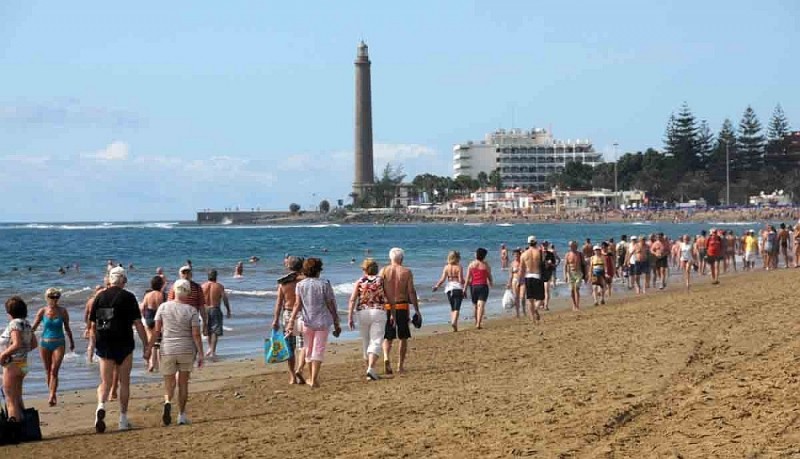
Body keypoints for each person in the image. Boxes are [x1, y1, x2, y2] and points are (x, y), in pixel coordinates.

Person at [89, 266, 150, 432]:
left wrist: (93, 344)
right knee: (124, 382)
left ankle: (101, 406)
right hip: (124, 343)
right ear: (123, 280)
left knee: (105, 382)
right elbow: (138, 323)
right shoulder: (129, 297)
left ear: (110, 279)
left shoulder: (100, 296)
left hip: (105, 343)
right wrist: (146, 344)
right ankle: (122, 419)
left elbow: (95, 324)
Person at [150, 279, 204, 426]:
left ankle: (168, 401)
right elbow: (196, 334)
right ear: (188, 293)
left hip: (168, 348)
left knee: (169, 382)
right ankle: (181, 415)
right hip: (186, 349)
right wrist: (201, 353)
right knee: (183, 383)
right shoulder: (191, 310)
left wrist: (149, 348)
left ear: (174, 291)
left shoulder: (163, 307)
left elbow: (157, 330)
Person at [286, 258, 341, 388]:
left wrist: (291, 321)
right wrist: (336, 321)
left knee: (308, 348)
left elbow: (297, 305)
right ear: (318, 271)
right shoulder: (325, 284)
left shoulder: (300, 285)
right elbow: (330, 304)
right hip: (322, 321)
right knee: (318, 349)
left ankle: (311, 377)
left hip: (307, 321)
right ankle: (314, 379)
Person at [0, 296, 37, 443]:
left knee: (10, 399)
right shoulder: (26, 324)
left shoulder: (14, 324)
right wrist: (22, 352)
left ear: (10, 312)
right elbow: (33, 344)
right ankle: (24, 430)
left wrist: (3, 355)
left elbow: (16, 343)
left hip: (12, 365)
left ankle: (14, 433)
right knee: (17, 397)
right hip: (23, 364)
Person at [379, 248, 420, 375]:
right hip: (401, 306)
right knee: (403, 337)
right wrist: (417, 309)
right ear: (401, 258)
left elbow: (379, 290)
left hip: (387, 306)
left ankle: (386, 357)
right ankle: (400, 366)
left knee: (388, 336)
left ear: (390, 258)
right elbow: (411, 291)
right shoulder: (406, 272)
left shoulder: (383, 271)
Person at [31, 287, 75, 406]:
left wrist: (71, 342)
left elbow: (67, 328)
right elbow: (33, 327)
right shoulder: (42, 311)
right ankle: (51, 393)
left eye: (57, 297)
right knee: (48, 370)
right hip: (44, 344)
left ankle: (51, 395)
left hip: (59, 343)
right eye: (52, 297)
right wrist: (26, 339)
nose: (55, 299)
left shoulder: (63, 311)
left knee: (54, 370)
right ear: (47, 297)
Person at [347, 258, 387, 380]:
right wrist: (393, 314)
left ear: (364, 269)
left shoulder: (360, 281)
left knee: (366, 341)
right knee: (376, 340)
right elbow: (389, 297)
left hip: (362, 312)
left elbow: (352, 299)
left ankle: (369, 370)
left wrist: (350, 316)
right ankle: (371, 368)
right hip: (378, 311)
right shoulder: (381, 281)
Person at [272, 256, 306, 385]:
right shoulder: (304, 281)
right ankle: (300, 369)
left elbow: (279, 303)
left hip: (287, 313)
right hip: (302, 313)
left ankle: (292, 376)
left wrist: (275, 319)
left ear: (288, 267)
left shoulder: (283, 283)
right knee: (303, 345)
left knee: (289, 346)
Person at [168, 266, 207, 336]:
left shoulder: (197, 287)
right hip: (178, 319)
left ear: (191, 274)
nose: (186, 275)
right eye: (184, 273)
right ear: (180, 275)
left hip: (193, 319)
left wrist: (205, 323)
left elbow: (201, 306)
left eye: (188, 273)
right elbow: (170, 304)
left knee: (194, 339)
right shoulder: (174, 286)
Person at [201, 270, 231, 361]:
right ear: (216, 276)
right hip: (215, 309)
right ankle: (213, 352)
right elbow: (225, 299)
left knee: (208, 330)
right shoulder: (219, 286)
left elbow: (199, 300)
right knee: (215, 331)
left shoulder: (203, 286)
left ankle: (210, 348)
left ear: (208, 276)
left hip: (205, 309)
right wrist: (228, 310)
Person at [432, 251, 465, 331]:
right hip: (457, 288)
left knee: (452, 307)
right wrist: (466, 283)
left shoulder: (446, 267)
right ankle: (454, 322)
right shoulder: (459, 267)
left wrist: (436, 286)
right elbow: (460, 280)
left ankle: (454, 325)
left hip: (449, 289)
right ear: (457, 258)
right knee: (457, 308)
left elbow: (442, 279)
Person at [140, 276, 166, 371]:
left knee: (151, 341)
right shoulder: (162, 295)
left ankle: (151, 362)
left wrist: (144, 317)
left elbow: (142, 308)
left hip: (149, 317)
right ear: (161, 285)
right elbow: (165, 308)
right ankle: (159, 364)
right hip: (158, 318)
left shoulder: (148, 295)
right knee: (158, 342)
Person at [464, 247, 493, 329]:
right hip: (483, 286)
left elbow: (467, 278)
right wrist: (491, 282)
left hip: (473, 287)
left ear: (476, 254)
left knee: (475, 306)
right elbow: (489, 276)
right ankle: (478, 323)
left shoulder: (471, 264)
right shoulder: (485, 265)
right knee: (481, 305)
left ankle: (476, 322)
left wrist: (464, 289)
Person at [518, 236, 543, 321]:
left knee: (530, 299)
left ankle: (532, 318)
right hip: (537, 276)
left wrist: (519, 280)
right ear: (536, 242)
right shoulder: (539, 252)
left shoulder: (524, 254)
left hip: (528, 276)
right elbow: (543, 265)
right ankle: (535, 309)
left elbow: (521, 269)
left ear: (528, 243)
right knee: (540, 298)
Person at [84, 284, 105, 363]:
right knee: (102, 342)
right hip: (101, 323)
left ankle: (90, 360)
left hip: (92, 323)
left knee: (92, 342)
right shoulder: (104, 300)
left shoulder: (90, 301)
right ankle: (102, 359)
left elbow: (86, 315)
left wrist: (87, 327)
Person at [564, 241, 584, 311]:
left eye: (573, 246)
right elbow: (565, 266)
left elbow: (584, 264)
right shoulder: (567, 254)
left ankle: (577, 306)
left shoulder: (580, 254)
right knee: (572, 290)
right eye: (570, 246)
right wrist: (565, 275)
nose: (571, 247)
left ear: (576, 246)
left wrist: (587, 274)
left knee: (577, 288)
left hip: (578, 273)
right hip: (570, 273)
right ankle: (574, 305)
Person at [505, 249, 523, 318]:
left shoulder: (523, 262)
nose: (516, 256)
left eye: (517, 255)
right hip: (514, 281)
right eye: (515, 255)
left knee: (522, 296)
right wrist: (508, 283)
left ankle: (524, 310)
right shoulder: (512, 264)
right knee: (516, 297)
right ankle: (517, 313)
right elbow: (510, 275)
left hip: (522, 280)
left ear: (520, 255)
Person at [540, 242, 557, 311]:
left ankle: (546, 305)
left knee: (546, 290)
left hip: (547, 274)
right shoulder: (539, 254)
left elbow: (554, 265)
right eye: (543, 245)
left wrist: (550, 264)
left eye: (546, 245)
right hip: (540, 275)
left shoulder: (550, 254)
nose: (545, 246)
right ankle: (542, 304)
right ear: (541, 246)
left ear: (547, 246)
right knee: (541, 291)